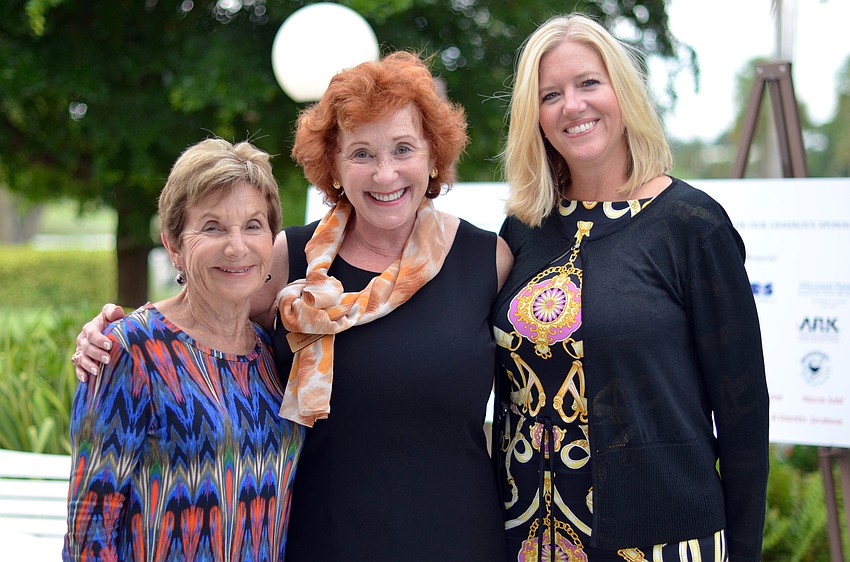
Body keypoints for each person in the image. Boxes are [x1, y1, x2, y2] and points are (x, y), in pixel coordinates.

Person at [72, 51, 513, 562]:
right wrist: (116, 333)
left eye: (403, 149)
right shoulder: (290, 257)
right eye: (362, 154)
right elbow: (201, 319)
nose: (385, 173)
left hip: (457, 541)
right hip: (323, 542)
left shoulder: (488, 261)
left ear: (434, 155)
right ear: (334, 167)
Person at [492, 13, 769, 562]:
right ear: (535, 117)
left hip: (661, 538)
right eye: (551, 94)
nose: (573, 105)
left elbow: (743, 415)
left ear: (623, 92)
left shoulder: (693, 224)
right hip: (528, 537)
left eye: (589, 83)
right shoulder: (524, 228)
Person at [64, 138, 305, 561]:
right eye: (212, 227)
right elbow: (89, 529)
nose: (236, 246)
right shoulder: (130, 350)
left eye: (253, 225)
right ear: (174, 244)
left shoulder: (271, 352)